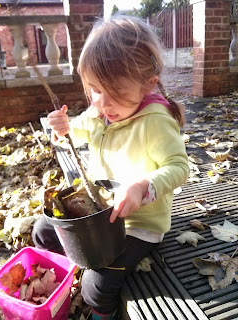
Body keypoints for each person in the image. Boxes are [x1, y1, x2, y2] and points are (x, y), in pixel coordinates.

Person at [32, 15, 189, 320]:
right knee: (43, 231)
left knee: (97, 285)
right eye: (94, 89)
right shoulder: (100, 111)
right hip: (100, 213)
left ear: (148, 84)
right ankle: (59, 282)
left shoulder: (156, 122)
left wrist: (145, 185)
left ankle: (102, 313)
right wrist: (61, 128)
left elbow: (179, 166)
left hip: (138, 225)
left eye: (113, 91)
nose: (102, 103)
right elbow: (75, 133)